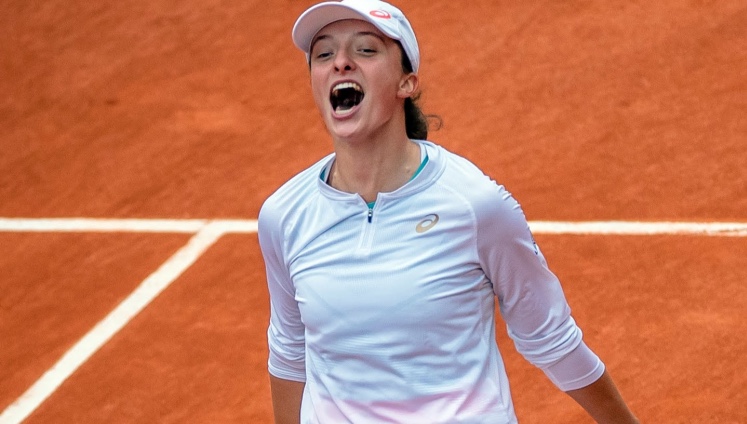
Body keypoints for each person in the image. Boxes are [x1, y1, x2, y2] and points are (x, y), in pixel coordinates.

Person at [257, 0, 639, 422]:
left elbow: (550, 338)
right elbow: (291, 351)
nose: (341, 63)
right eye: (324, 54)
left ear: (407, 83)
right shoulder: (284, 215)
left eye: (366, 50)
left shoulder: (475, 206)